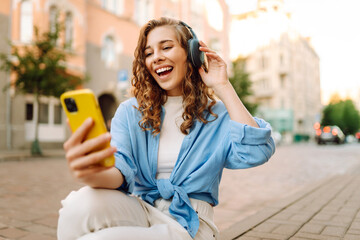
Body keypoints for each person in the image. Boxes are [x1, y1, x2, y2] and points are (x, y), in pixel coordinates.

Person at [57, 17, 275, 240]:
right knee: (76, 204)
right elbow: (121, 171)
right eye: (149, 52)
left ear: (191, 54)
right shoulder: (130, 112)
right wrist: (93, 173)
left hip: (191, 223)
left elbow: (256, 152)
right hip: (141, 209)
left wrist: (223, 86)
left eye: (166, 47)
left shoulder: (217, 114)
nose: (156, 57)